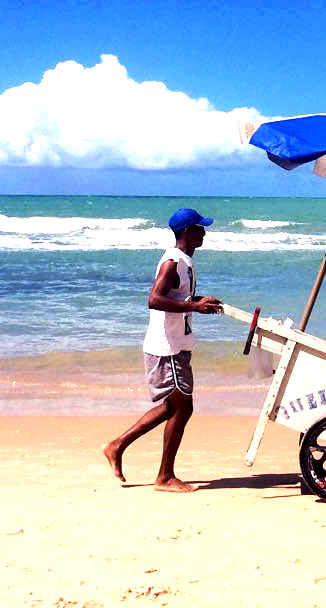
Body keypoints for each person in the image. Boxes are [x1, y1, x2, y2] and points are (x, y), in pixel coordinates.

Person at [103, 208, 222, 492]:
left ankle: (118, 446)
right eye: (199, 228)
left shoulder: (185, 261)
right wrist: (193, 306)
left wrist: (198, 301)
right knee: (181, 406)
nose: (204, 233)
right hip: (166, 346)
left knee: (176, 406)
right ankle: (164, 476)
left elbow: (175, 297)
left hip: (177, 342)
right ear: (186, 232)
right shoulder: (173, 261)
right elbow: (154, 299)